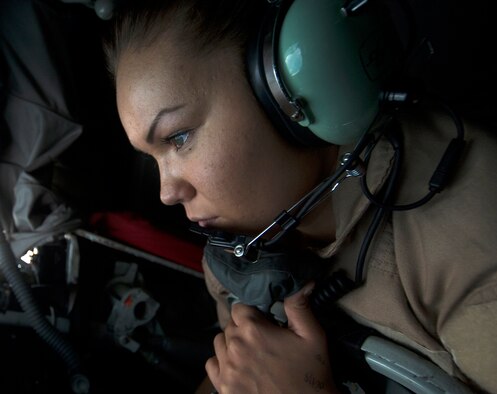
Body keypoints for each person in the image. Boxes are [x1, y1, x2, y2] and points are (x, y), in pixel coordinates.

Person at [103, 0, 497, 393]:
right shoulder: (242, 239)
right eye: (153, 158)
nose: (167, 193)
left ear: (289, 88)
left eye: (178, 137)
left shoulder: (468, 244)